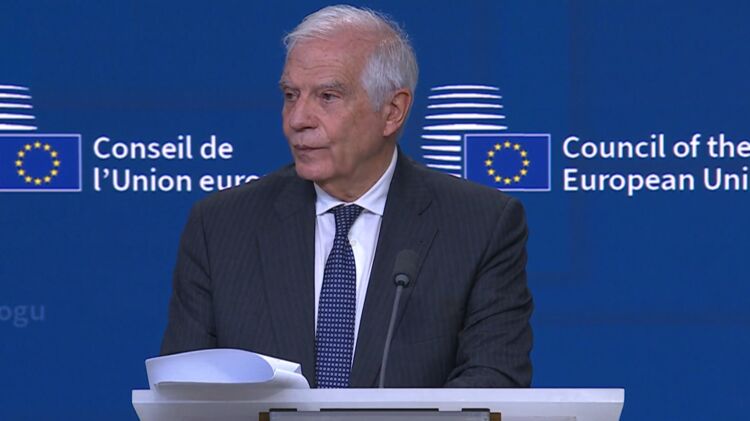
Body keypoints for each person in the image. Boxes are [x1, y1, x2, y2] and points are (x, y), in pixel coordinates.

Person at [161, 4, 533, 388]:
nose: (297, 120)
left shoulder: (480, 226)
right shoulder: (221, 226)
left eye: (327, 96)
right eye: (291, 95)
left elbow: (494, 380)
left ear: (392, 111)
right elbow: (185, 390)